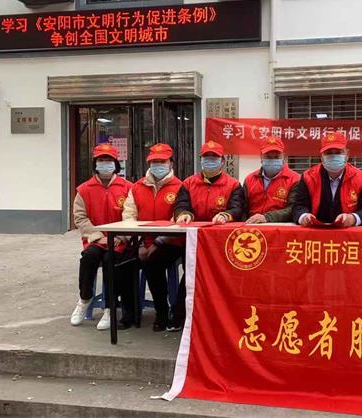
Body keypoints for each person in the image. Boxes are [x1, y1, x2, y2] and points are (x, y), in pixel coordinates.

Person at [172, 140, 245, 330]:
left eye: (214, 158)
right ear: (201, 160)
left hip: (221, 242)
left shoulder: (233, 185)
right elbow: (181, 204)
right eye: (206, 157)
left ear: (222, 161)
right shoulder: (188, 183)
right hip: (194, 240)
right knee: (191, 274)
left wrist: (226, 215)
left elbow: (238, 208)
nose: (210, 161)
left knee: (220, 277)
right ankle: (181, 316)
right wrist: (184, 214)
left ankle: (220, 317)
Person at [70, 143, 133, 331]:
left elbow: (131, 215)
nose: (105, 164)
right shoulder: (84, 190)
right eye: (101, 160)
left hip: (119, 242)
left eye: (108, 160)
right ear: (95, 164)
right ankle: (84, 299)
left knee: (110, 261)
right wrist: (97, 236)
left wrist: (121, 237)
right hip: (96, 240)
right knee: (88, 258)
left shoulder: (127, 188)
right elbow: (80, 218)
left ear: (116, 164)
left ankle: (110, 307)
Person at [122, 143, 184, 332]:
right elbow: (129, 215)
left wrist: (157, 243)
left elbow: (178, 218)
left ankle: (162, 312)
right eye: (154, 161)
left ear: (171, 163)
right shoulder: (137, 187)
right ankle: (129, 312)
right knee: (121, 262)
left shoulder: (181, 187)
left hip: (172, 242)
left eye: (162, 161)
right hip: (143, 241)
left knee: (153, 263)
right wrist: (139, 242)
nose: (158, 165)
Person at [292, 132, 362, 227]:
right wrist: (303, 216)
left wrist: (353, 218)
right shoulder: (308, 177)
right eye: (328, 153)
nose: (333, 157)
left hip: (349, 233)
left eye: (338, 152)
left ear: (347, 154)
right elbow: (298, 206)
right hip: (315, 232)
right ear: (321, 157)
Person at [243, 136, 300, 224]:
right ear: (261, 157)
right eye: (268, 157)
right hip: (253, 227)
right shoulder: (250, 179)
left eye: (276, 157)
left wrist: (266, 217)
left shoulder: (295, 179)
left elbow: (293, 209)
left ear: (283, 157)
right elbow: (243, 209)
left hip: (281, 228)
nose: (272, 160)